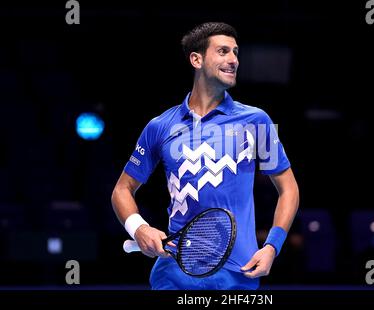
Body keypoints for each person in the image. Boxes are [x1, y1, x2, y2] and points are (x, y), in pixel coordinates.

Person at [111, 22, 300, 290]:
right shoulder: (160, 126)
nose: (233, 60)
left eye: (236, 52)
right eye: (223, 51)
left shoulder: (257, 121)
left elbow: (288, 188)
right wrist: (139, 228)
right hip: (173, 274)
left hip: (238, 275)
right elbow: (122, 189)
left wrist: (272, 246)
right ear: (196, 59)